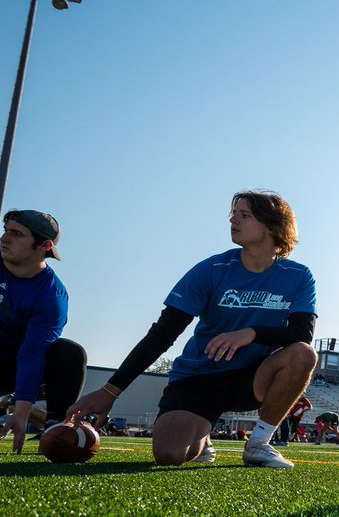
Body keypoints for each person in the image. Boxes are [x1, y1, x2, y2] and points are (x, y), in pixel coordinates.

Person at [68, 191, 317, 469]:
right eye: (234, 214)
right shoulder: (211, 269)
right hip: (200, 377)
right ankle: (202, 435)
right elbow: (163, 333)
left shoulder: (298, 275)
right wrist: (111, 391)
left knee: (303, 354)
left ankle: (259, 443)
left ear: (272, 225)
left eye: (244, 215)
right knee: (169, 456)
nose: (233, 219)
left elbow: (302, 333)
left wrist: (252, 333)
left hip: (251, 376)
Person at [0, 210, 86, 453]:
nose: (4, 238)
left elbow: (33, 353)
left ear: (44, 245)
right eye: (6, 230)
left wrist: (21, 412)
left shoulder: (51, 296)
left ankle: (56, 429)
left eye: (16, 233)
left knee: (68, 353)